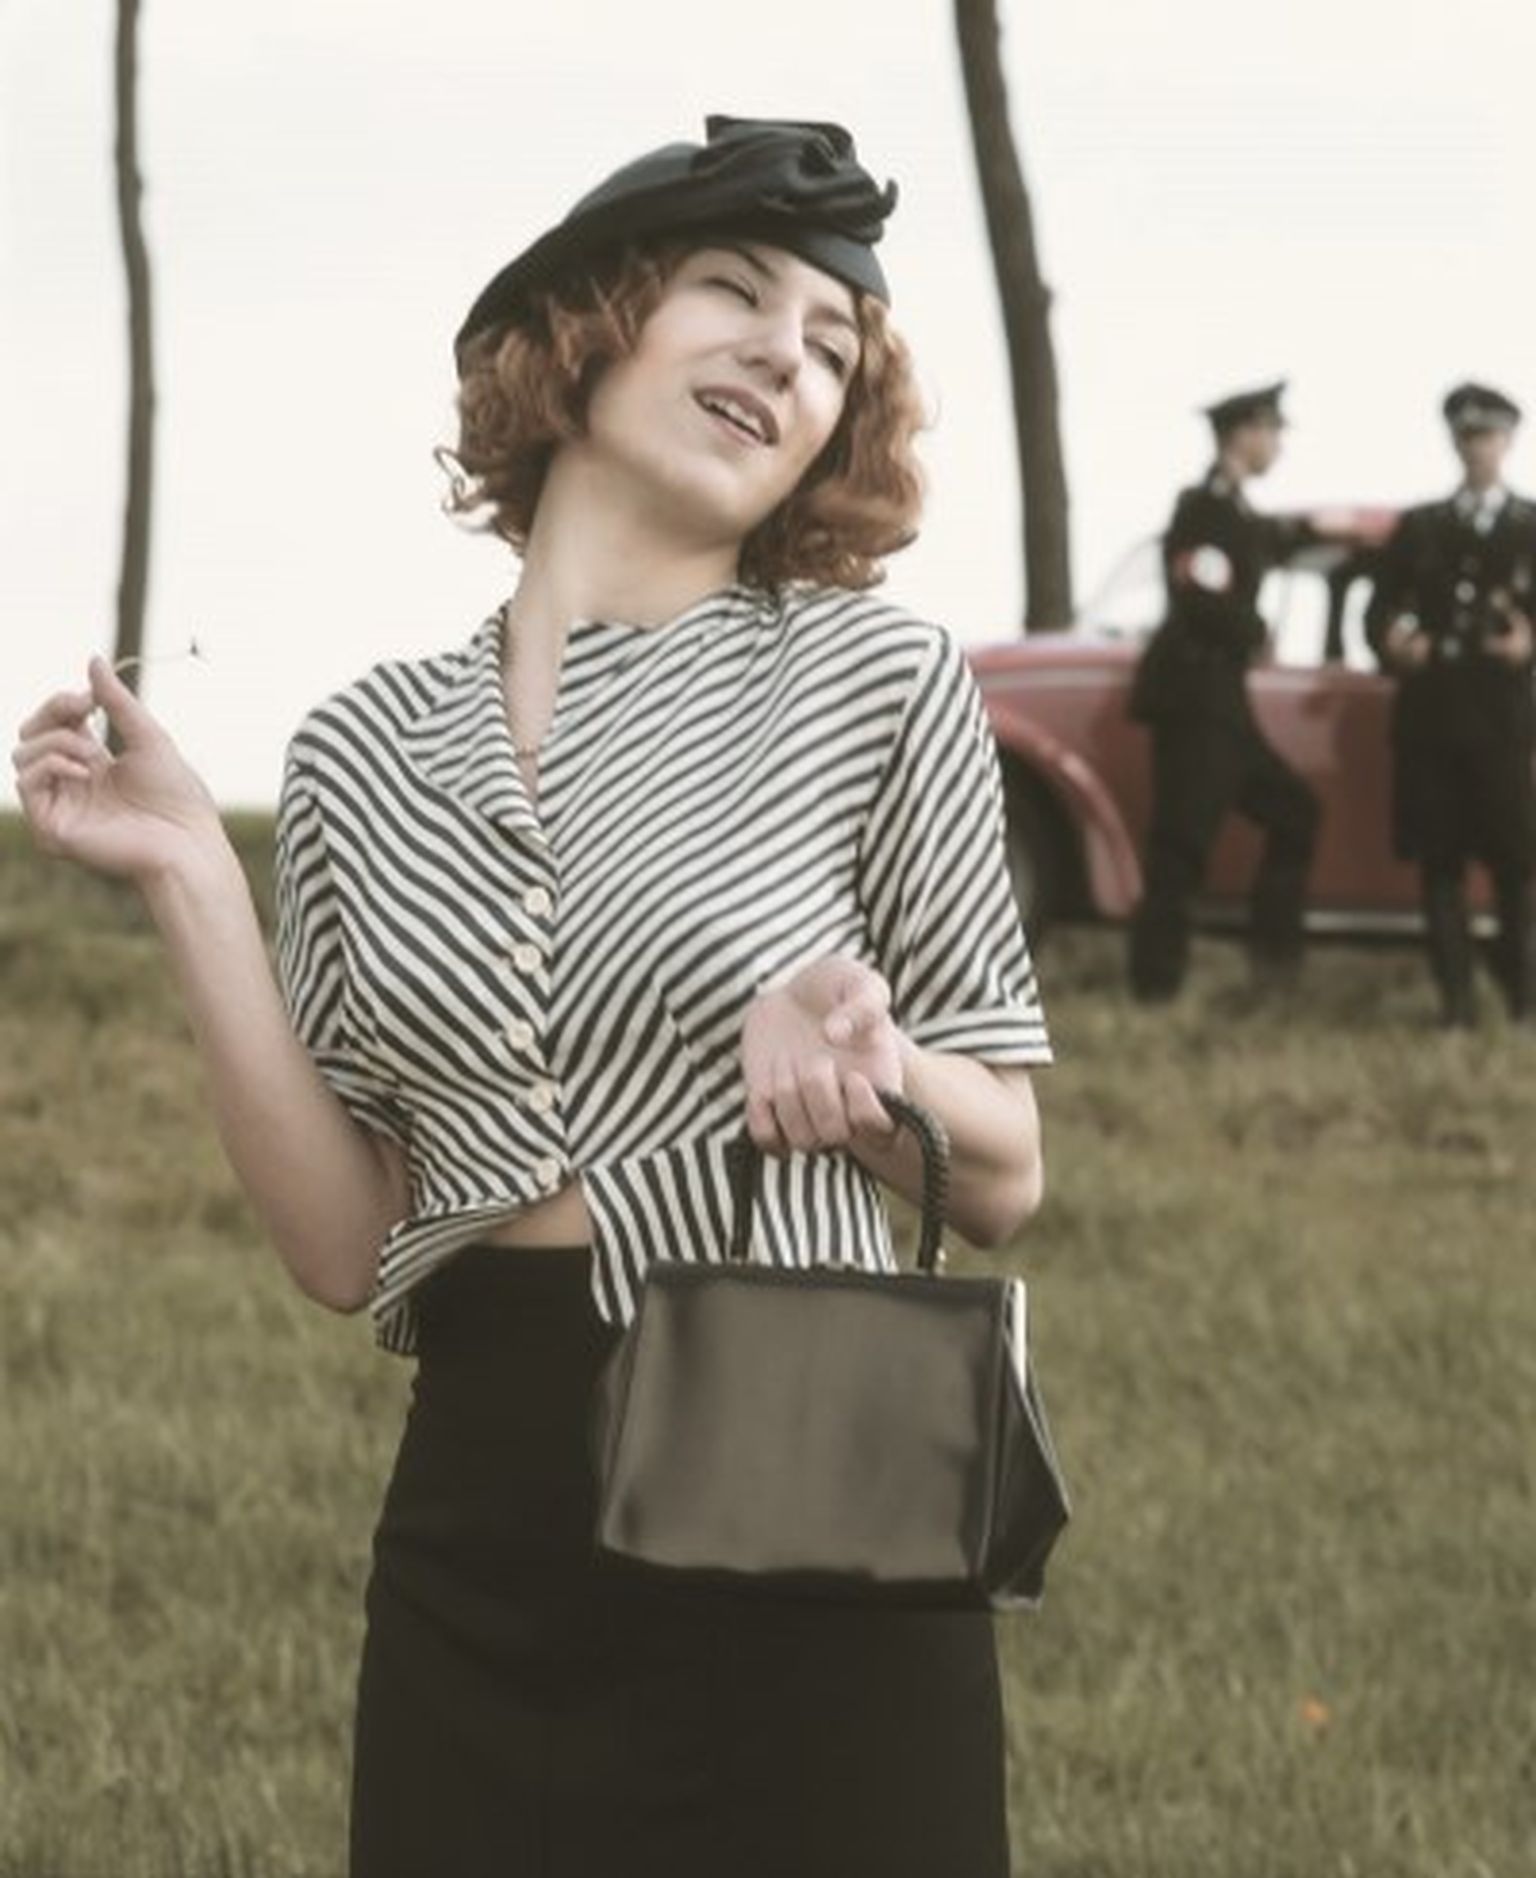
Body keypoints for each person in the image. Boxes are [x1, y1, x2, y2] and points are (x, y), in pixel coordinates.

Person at [12, 116, 1052, 1877]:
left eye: (830, 347)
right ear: (587, 325)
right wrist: (194, 876)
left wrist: (881, 1065)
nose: (783, 357)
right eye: (732, 291)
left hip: (803, 1480)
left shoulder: (879, 679)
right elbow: (349, 1242)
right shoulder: (354, 751)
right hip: (483, 1516)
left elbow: (1010, 1165)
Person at [1126, 380, 1321, 1001]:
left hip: (1224, 705)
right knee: (1181, 844)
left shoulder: (1236, 511)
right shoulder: (1204, 507)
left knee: (1296, 812)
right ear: (1243, 435)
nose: (1278, 445)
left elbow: (1264, 541)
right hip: (1195, 698)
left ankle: (1273, 967)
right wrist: (1258, 629)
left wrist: (1313, 529)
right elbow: (1203, 597)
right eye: (1272, 432)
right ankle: (1155, 987)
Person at [1364, 382, 1536, 1028]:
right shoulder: (1420, 529)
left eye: (1486, 436)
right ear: (1454, 443)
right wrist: (1393, 641)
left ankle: (1525, 1000)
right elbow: (1379, 612)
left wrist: (1529, 644)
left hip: (1503, 725)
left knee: (1517, 865)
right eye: (1466, 437)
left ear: (1508, 441)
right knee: (1440, 865)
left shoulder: (1531, 527)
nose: (1476, 448)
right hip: (1431, 723)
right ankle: (1456, 1005)